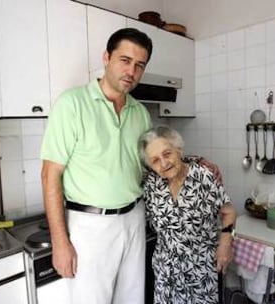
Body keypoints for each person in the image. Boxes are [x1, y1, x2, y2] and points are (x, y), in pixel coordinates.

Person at [40, 28, 153, 304]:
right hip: (90, 226)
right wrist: (60, 242)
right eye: (125, 60)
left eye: (139, 65)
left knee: (132, 298)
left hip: (134, 219)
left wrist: (197, 163)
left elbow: (154, 162)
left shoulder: (140, 113)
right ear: (106, 57)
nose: (131, 71)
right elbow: (49, 175)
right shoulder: (72, 104)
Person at [138, 125, 236, 304]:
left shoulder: (204, 177)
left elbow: (229, 212)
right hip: (165, 273)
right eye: (155, 160)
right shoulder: (151, 183)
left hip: (201, 270)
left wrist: (226, 243)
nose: (164, 163)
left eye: (167, 154)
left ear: (179, 149)